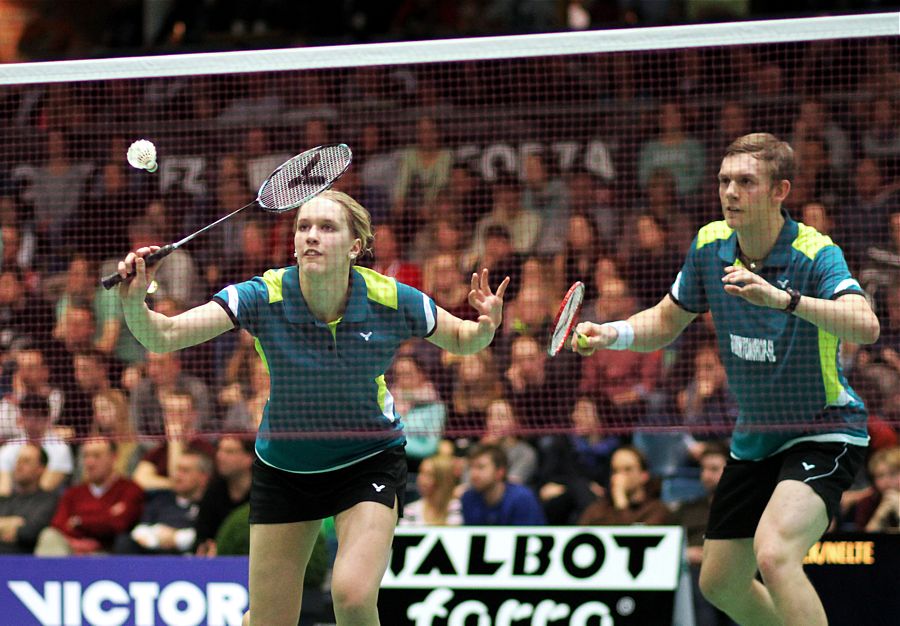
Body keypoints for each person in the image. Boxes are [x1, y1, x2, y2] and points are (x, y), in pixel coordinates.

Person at [114, 188, 510, 626]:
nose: (312, 236)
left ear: (356, 246)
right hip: (286, 468)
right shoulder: (262, 296)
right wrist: (134, 302)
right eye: (303, 227)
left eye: (326, 227)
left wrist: (487, 326)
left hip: (367, 458)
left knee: (353, 596)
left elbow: (462, 338)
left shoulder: (392, 299)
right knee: (270, 621)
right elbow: (163, 336)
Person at [572, 133, 880, 626]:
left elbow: (867, 325)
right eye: (724, 181)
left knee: (775, 554)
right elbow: (667, 320)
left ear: (780, 190)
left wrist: (784, 300)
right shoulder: (710, 245)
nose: (730, 192)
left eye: (745, 181)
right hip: (755, 436)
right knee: (719, 583)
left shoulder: (813, 252)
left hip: (823, 430)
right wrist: (612, 332)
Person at [34, 437, 144, 556]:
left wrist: (79, 521)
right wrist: (104, 516)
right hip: (71, 551)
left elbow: (119, 524)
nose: (90, 462)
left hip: (107, 555)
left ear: (114, 457)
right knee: (50, 535)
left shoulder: (130, 489)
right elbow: (59, 524)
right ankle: (51, 574)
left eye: (96, 456)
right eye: (86, 456)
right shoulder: (73, 493)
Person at [578, 445, 671, 526]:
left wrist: (621, 503)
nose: (620, 476)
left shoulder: (656, 511)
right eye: (615, 471)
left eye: (628, 469)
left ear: (644, 475)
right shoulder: (596, 511)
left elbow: (629, 540)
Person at [460, 443, 546, 526]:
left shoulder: (522, 498)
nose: (474, 474)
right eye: (471, 467)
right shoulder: (468, 498)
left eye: (481, 467)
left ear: (500, 472)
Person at [0, 443, 59, 553]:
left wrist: (3, 525)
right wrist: (14, 523)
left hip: (28, 563)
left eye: (26, 461)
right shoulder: (4, 499)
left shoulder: (49, 500)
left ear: (40, 469)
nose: (19, 466)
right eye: (18, 461)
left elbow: (30, 533)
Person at [399, 453, 462, 526]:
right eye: (420, 472)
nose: (420, 479)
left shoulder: (457, 507)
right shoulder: (410, 511)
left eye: (428, 475)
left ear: (442, 479)